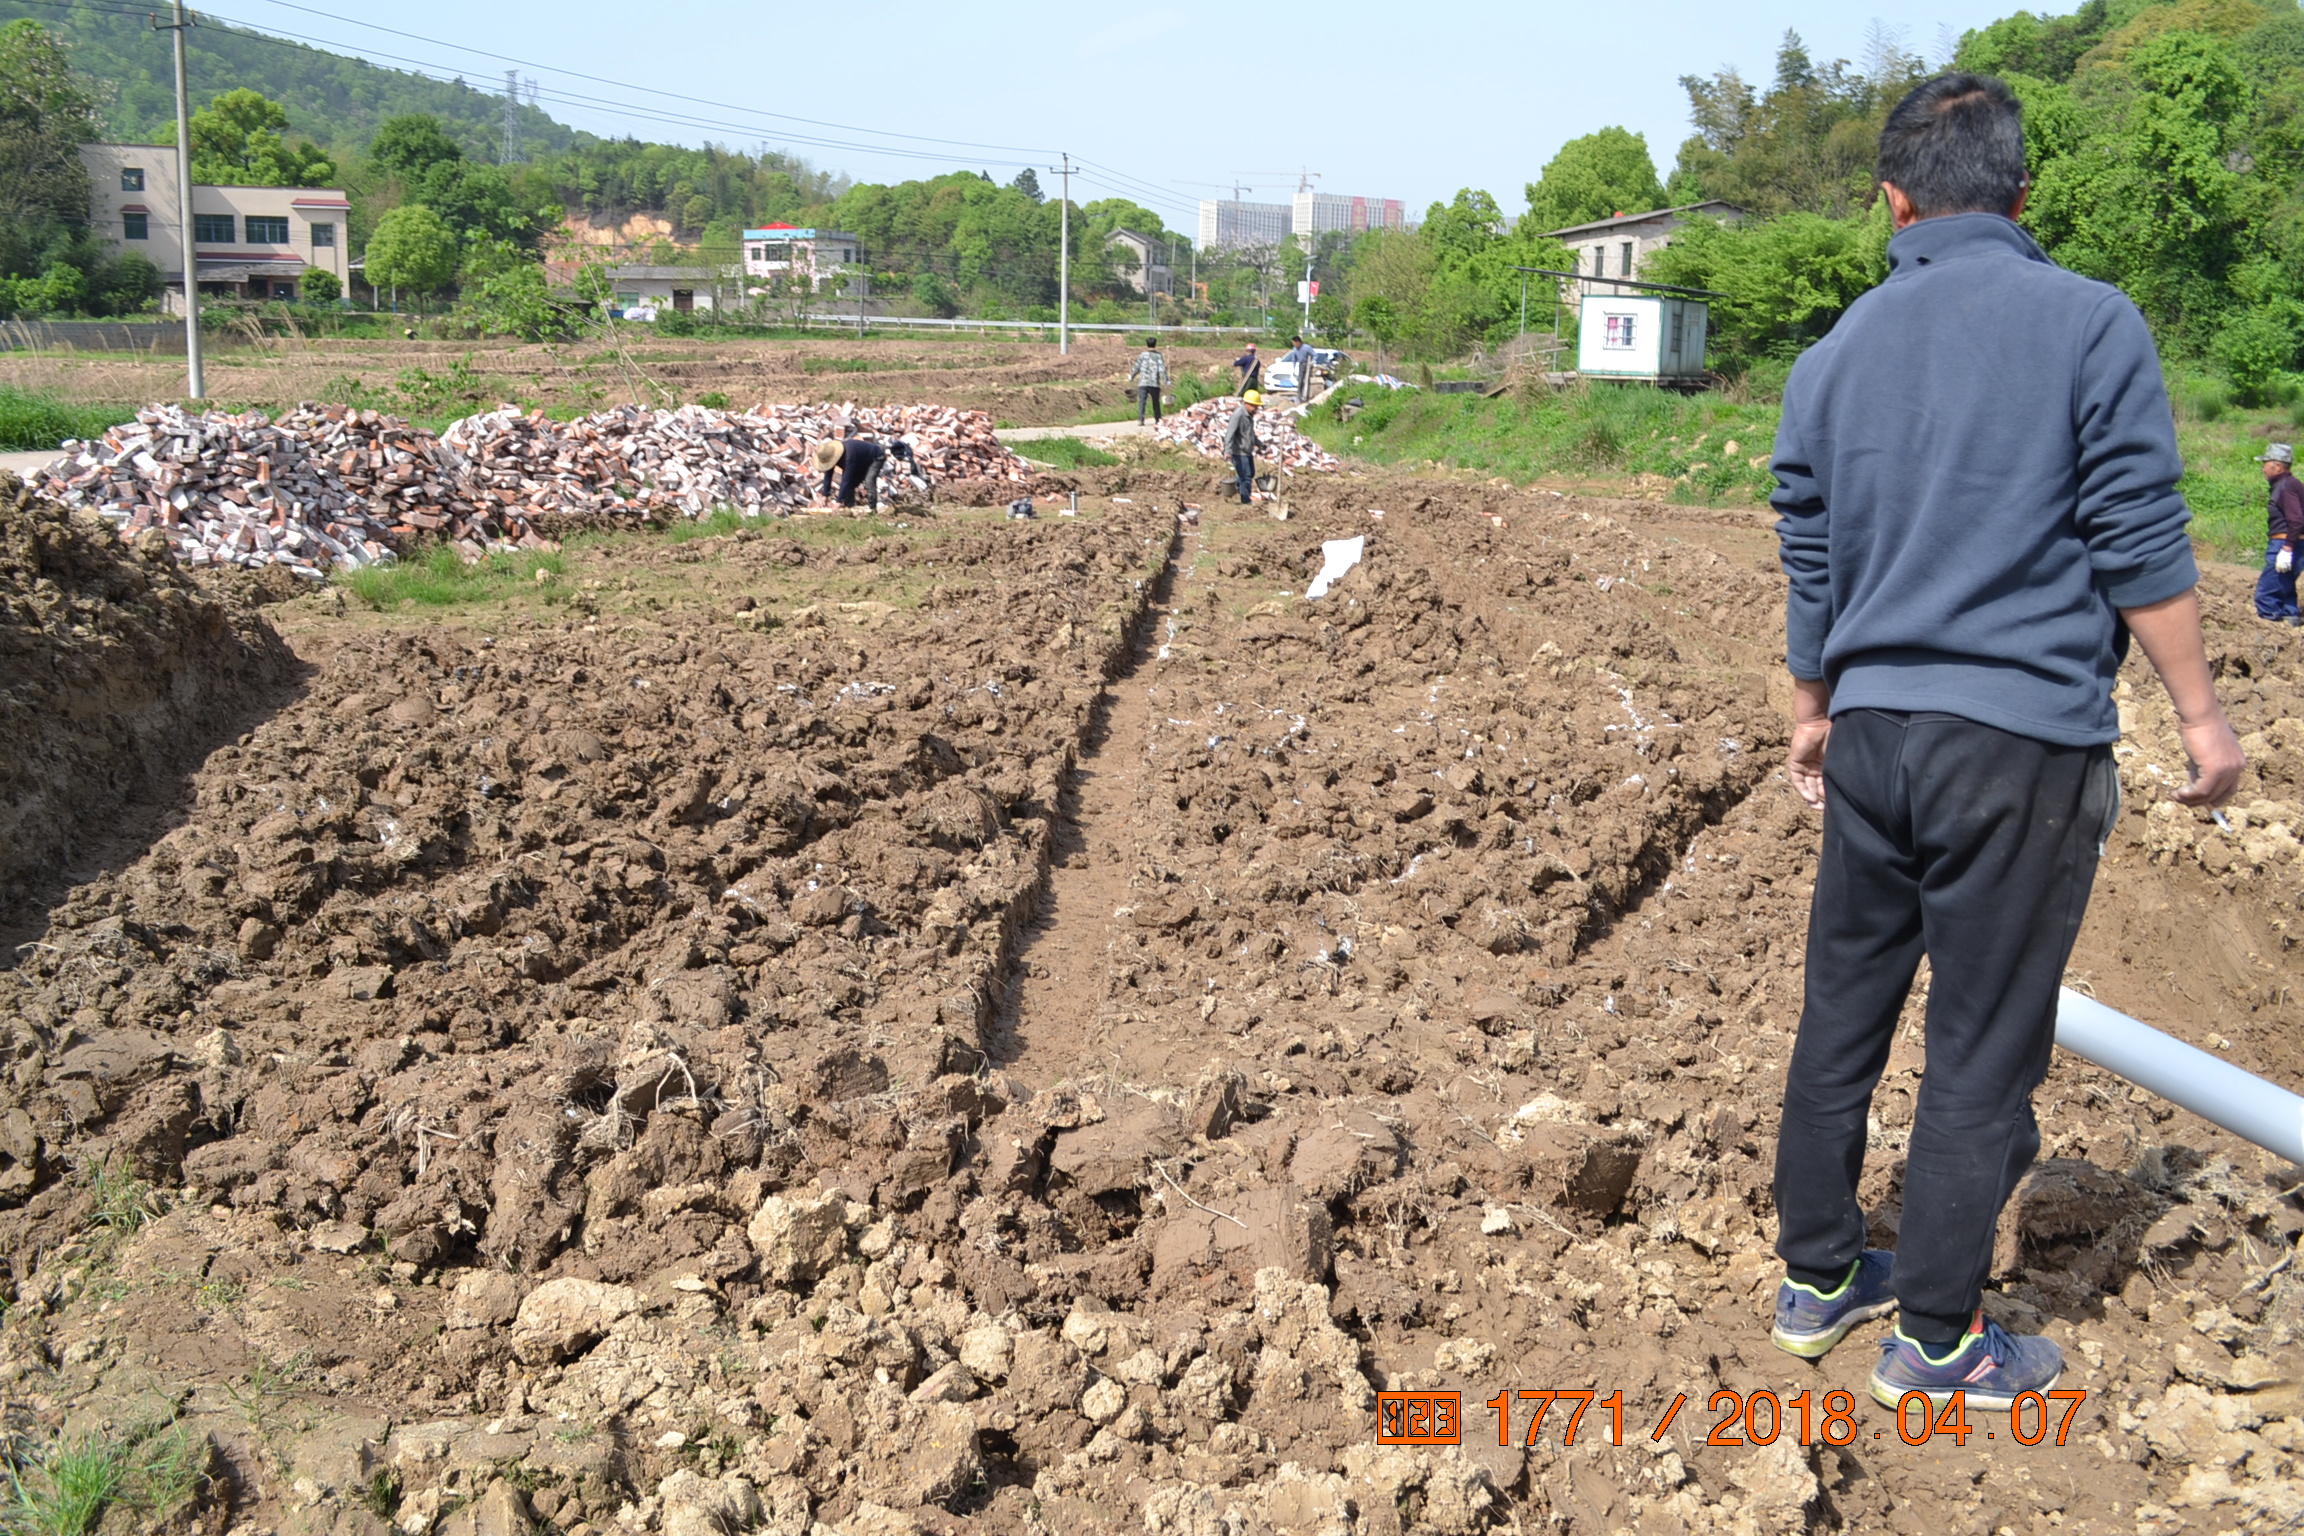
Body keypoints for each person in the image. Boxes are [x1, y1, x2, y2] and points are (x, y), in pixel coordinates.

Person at [1765, 72, 2244, 1413]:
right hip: (2018, 745)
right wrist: (2200, 714)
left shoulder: (1832, 355)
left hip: (1872, 736)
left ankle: (1817, 1277)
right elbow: (2137, 534)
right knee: (1981, 1046)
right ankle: (1937, 1340)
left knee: (1842, 1015)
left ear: (1893, 200)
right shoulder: (2089, 323)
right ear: (2025, 194)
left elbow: (1810, 550)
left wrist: (1812, 706)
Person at [2254, 443, 2302, 625]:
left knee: (2266, 593)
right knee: (2285, 588)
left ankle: (2269, 629)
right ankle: (2291, 624)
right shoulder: (2292, 484)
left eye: (2266, 464)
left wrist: (2287, 549)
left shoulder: (2285, 487)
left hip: (2286, 543)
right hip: (2296, 544)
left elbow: (2296, 520)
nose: (2263, 469)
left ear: (2278, 466)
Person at [817, 421, 887, 511]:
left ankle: (872, 510)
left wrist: (838, 502)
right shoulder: (831, 456)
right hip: (860, 460)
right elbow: (828, 475)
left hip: (876, 457)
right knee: (849, 485)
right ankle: (850, 508)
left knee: (869, 481)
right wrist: (825, 494)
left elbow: (846, 479)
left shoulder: (848, 457)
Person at [1223, 390, 1261, 504]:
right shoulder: (1238, 415)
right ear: (1246, 404)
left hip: (1247, 451)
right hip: (1239, 452)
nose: (1256, 409)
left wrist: (1259, 443)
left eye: (1257, 406)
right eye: (1254, 406)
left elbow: (1249, 434)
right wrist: (1227, 451)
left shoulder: (1249, 416)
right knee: (1246, 476)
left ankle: (1238, 486)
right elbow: (1230, 434)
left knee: (1251, 473)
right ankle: (1246, 500)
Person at [1131, 339, 1169, 424]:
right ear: (1155, 345)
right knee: (1156, 402)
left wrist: (1131, 377)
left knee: (1142, 401)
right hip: (1154, 383)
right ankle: (1158, 419)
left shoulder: (1142, 355)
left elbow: (1136, 367)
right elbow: (1162, 370)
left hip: (1143, 382)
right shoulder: (1158, 356)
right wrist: (1166, 381)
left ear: (1147, 345)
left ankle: (1141, 420)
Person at [1283, 334, 1316, 403]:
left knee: (1306, 381)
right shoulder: (1295, 349)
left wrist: (1312, 361)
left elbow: (1314, 354)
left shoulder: (1307, 347)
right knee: (1300, 381)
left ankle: (1306, 397)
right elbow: (1294, 359)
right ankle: (1299, 397)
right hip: (1301, 365)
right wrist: (1294, 367)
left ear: (1298, 342)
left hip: (1307, 365)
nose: (1294, 344)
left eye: (1294, 343)